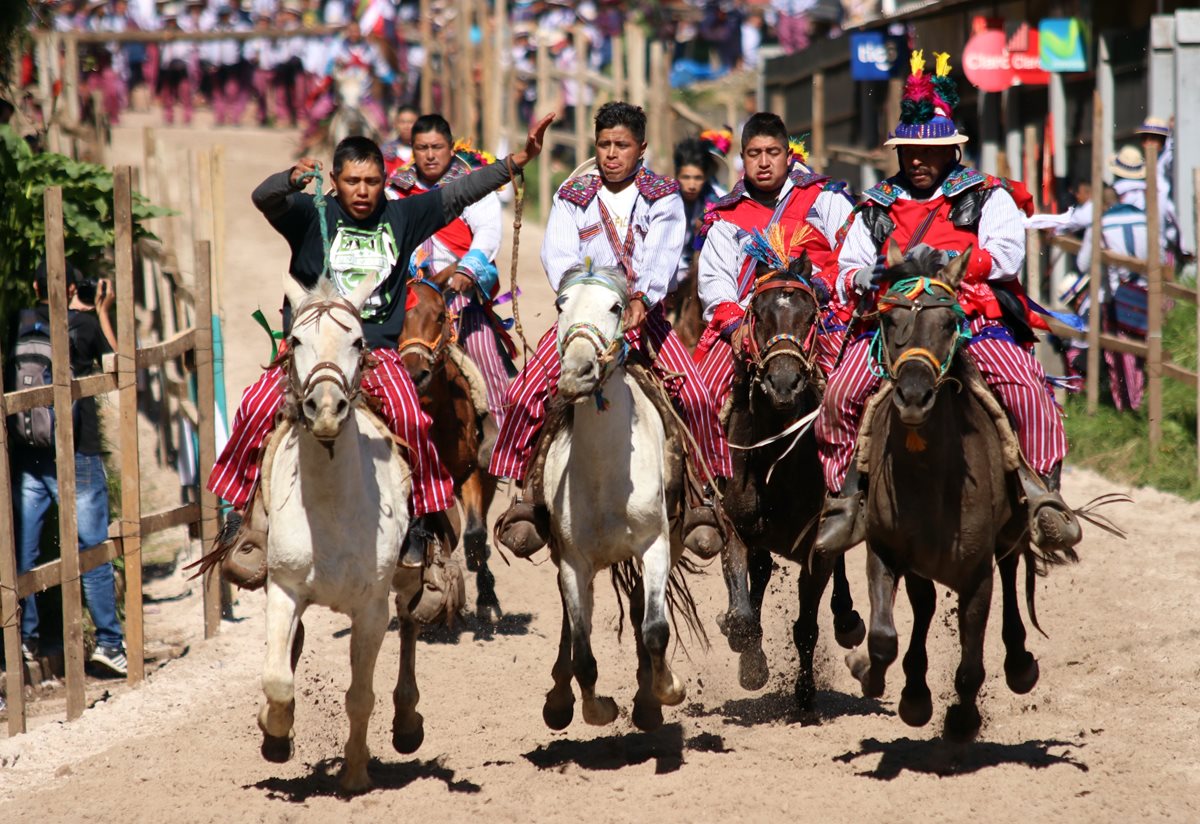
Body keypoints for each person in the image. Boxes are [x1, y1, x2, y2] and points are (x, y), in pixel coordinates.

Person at [209, 117, 553, 567]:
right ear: (334, 181)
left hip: (376, 354)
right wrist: (287, 181)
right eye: (352, 180)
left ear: (384, 182)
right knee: (255, 406)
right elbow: (263, 199)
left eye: (372, 181)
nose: (363, 189)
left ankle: (421, 523)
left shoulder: (403, 217)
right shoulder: (310, 216)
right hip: (312, 353)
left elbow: (462, 192)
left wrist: (517, 161)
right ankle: (241, 517)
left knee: (413, 419)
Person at [813, 50, 1080, 557]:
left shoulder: (985, 195)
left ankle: (1045, 497)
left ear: (952, 151)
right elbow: (847, 268)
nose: (918, 161)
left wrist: (947, 263)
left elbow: (1005, 254)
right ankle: (845, 500)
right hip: (890, 330)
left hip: (969, 320)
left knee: (1027, 389)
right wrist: (862, 275)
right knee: (838, 397)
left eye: (929, 152)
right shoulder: (876, 204)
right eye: (910, 152)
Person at [490, 101, 730, 559]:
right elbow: (559, 259)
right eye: (604, 144)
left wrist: (641, 297)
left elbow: (661, 256)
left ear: (642, 148)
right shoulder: (572, 194)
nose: (611, 154)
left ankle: (704, 496)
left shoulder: (662, 196)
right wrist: (583, 299)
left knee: (696, 395)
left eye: (622, 145)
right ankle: (524, 495)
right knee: (524, 392)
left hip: (644, 317)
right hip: (585, 315)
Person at [8, 261, 126, 677]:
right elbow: (123, 371)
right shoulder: (85, 326)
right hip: (78, 452)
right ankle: (110, 644)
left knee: (25, 553)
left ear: (36, 285)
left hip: (27, 455)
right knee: (92, 549)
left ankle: (23, 642)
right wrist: (103, 313)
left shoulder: (18, 324)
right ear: (75, 286)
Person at [694, 112, 853, 416]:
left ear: (788, 155)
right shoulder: (726, 217)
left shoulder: (823, 197)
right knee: (698, 397)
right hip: (749, 324)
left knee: (850, 393)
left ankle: (849, 463)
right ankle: (706, 464)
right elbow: (715, 282)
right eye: (754, 154)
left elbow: (852, 253)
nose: (764, 162)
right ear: (742, 158)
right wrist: (735, 327)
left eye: (772, 153)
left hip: (821, 318)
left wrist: (821, 287)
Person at [386, 114, 516, 428]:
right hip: (410, 293)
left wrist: (468, 269)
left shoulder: (472, 183)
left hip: (459, 293)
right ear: (412, 150)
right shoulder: (395, 189)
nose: (430, 155)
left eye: (437, 147)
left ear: (450, 147)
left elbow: (488, 233)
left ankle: (501, 437)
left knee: (484, 348)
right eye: (422, 148)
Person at [382, 103, 418, 176]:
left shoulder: (423, 151)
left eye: (410, 122)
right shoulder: (386, 151)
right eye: (402, 122)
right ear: (395, 124)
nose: (406, 126)